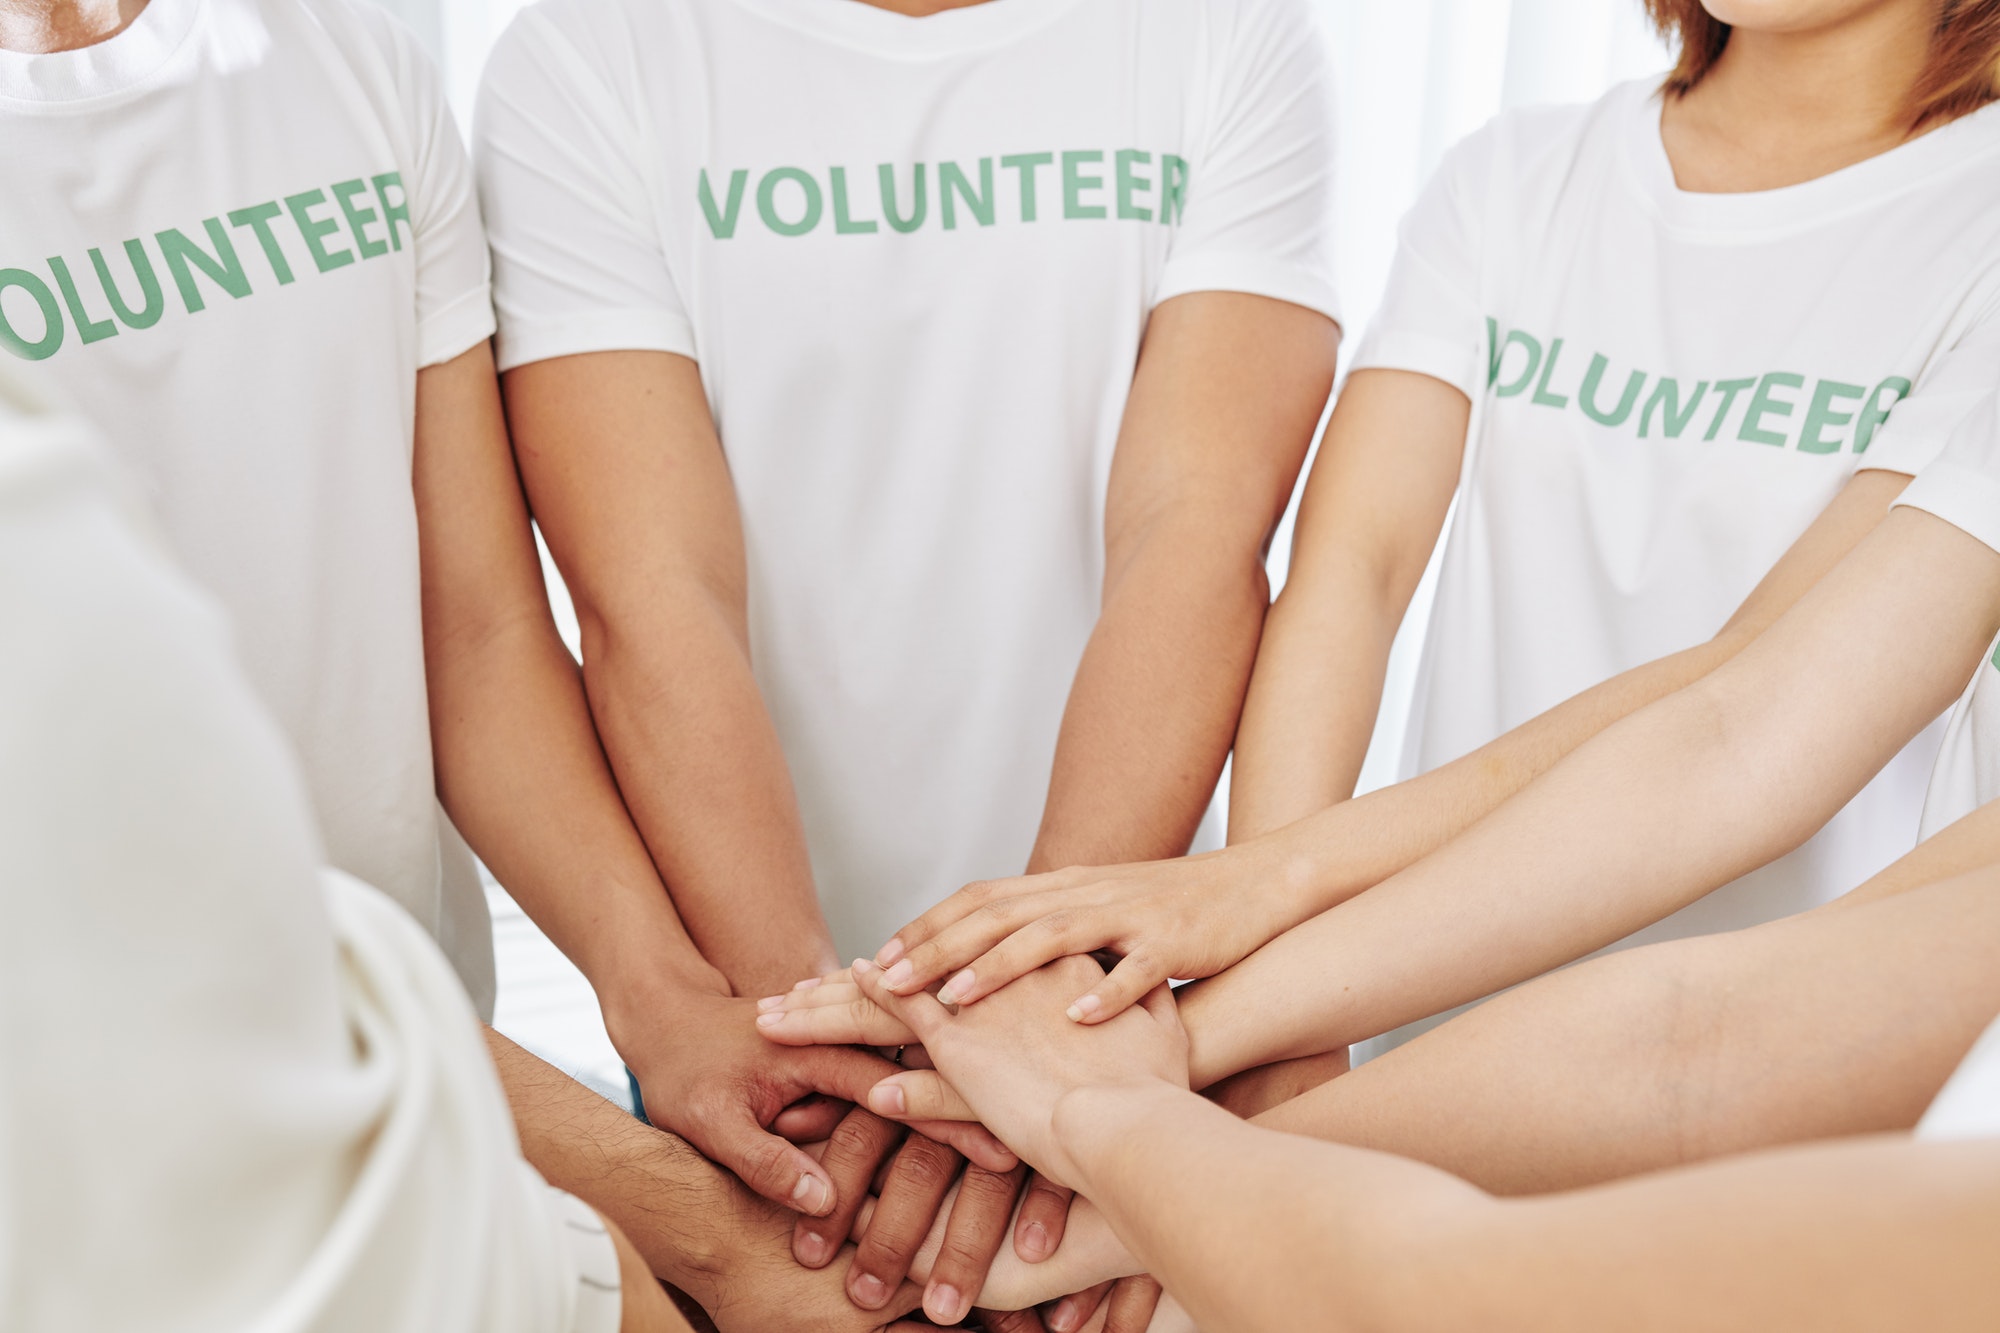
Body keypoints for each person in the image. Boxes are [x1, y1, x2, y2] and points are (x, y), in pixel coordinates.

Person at [0, 0, 994, 1266]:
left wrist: (666, 1003)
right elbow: (102, 883)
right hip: (88, 1154)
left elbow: (473, 633)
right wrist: (692, 1234)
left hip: (445, 1095)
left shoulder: (350, 64)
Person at [835, 0, 2000, 1052]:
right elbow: (1350, 573)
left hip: (1772, 1063)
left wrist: (1273, 894)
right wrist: (1268, 984)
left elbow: (1750, 687)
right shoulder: (1516, 176)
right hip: (1410, 1004)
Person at [472, 0, 1341, 1320]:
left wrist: (1045, 1014)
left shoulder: (1227, 36)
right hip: (751, 1032)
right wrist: (820, 1046)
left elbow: (1198, 534)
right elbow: (650, 597)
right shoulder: (591, 54)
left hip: (1116, 994)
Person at [0, 377, 1094, 1333]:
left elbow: (479, 629)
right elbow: (213, 963)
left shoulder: (378, 131)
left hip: (479, 1115)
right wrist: (727, 1236)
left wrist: (681, 1016)